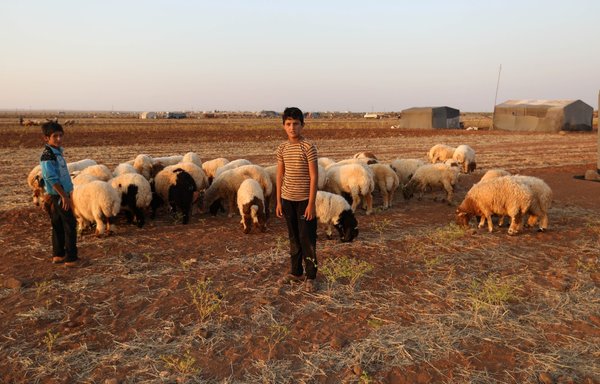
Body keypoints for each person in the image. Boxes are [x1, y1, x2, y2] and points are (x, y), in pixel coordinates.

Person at [275, 107, 319, 292]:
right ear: (284, 126)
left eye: (296, 124)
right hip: (287, 199)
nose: (292, 128)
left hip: (303, 200)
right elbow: (279, 175)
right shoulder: (282, 148)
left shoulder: (308, 147)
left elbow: (314, 177)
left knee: (306, 238)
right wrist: (278, 201)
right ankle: (296, 272)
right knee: (293, 237)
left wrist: (311, 203)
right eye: (288, 124)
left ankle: (311, 276)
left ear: (302, 125)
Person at [39, 120, 79, 267]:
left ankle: (58, 255)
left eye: (61, 135)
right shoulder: (48, 155)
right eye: (55, 136)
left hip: (57, 194)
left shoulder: (55, 153)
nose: (59, 139)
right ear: (46, 138)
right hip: (60, 194)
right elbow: (50, 177)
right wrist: (64, 196)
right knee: (69, 223)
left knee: (58, 224)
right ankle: (71, 259)